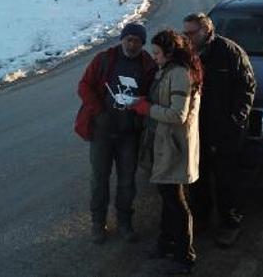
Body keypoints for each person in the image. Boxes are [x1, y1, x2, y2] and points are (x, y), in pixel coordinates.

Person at [76, 22, 157, 244]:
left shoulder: (148, 65)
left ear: (143, 43)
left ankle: (125, 223)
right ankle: (97, 223)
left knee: (127, 181)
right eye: (128, 39)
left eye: (137, 41)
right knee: (99, 179)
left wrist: (142, 108)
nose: (132, 44)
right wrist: (99, 112)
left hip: (129, 134)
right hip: (103, 132)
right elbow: (84, 86)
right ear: (122, 39)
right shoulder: (104, 59)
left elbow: (153, 95)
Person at [129, 29, 202, 275]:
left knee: (176, 201)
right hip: (163, 144)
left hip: (173, 146)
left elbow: (177, 115)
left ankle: (185, 255)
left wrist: (145, 108)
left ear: (170, 53)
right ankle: (167, 244)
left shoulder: (180, 74)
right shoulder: (167, 71)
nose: (155, 58)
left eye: (158, 53)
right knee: (168, 198)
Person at [182, 13, 256, 248]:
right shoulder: (187, 54)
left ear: (206, 30)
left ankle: (230, 224)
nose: (188, 37)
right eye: (185, 33)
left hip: (225, 129)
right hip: (197, 128)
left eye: (192, 33)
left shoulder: (230, 52)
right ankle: (201, 219)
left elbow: (247, 88)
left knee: (227, 179)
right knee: (198, 177)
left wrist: (236, 121)